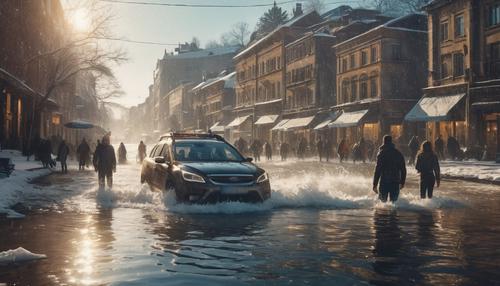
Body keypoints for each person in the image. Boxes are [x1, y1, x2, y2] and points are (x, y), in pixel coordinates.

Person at [373, 135, 407, 203]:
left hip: (384, 181)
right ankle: (393, 213)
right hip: (395, 181)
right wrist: (402, 182)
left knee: (382, 203)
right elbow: (403, 169)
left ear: (384, 142)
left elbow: (378, 170)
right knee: (394, 203)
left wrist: (375, 184)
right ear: (391, 142)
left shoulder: (381, 153)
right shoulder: (398, 153)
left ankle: (382, 213)